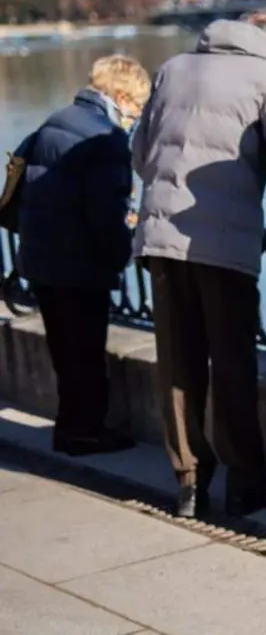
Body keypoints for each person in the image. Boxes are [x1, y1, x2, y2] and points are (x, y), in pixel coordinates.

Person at [131, 9, 266, 519]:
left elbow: (140, 153)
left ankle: (188, 483)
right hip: (225, 244)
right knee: (231, 362)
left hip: (161, 237)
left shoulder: (173, 68)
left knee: (177, 361)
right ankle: (245, 480)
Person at [15, 55, 150, 456]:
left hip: (43, 257)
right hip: (79, 263)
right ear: (121, 96)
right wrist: (122, 253)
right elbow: (105, 211)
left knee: (65, 354)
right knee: (87, 355)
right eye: (137, 106)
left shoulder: (55, 121)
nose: (136, 115)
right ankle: (85, 432)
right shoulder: (105, 138)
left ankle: (70, 428)